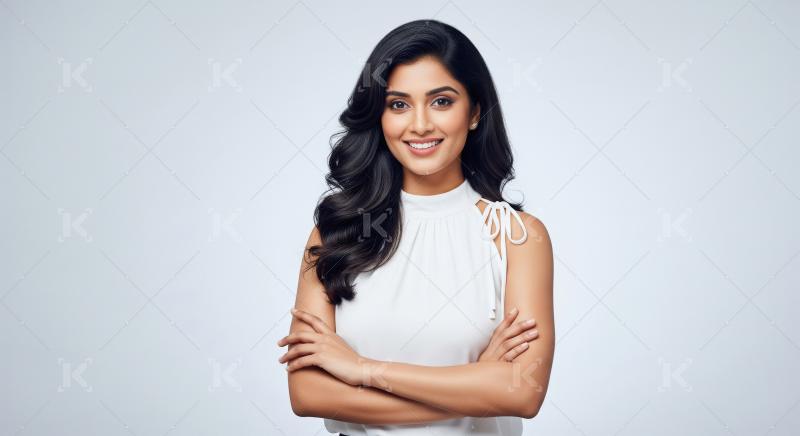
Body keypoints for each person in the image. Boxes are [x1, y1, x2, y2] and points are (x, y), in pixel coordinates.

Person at [277, 19, 554, 435]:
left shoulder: (516, 236)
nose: (420, 124)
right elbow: (308, 395)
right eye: (398, 104)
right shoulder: (336, 233)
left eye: (441, 101)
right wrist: (477, 385)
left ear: (475, 111)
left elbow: (522, 393)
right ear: (379, 116)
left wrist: (359, 369)